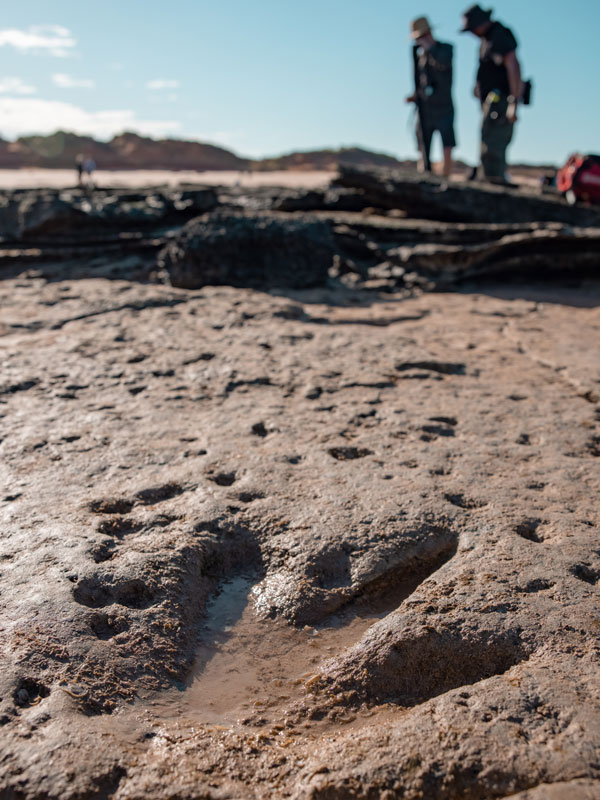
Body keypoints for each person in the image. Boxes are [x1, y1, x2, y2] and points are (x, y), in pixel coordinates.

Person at [460, 4, 523, 183]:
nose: (472, 33)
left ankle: (494, 184)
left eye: (472, 28)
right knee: (487, 141)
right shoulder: (486, 40)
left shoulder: (499, 34)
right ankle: (488, 179)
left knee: (494, 145)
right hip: (491, 102)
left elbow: (514, 66)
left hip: (502, 100)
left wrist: (514, 102)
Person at [405, 16, 456, 178]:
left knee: (447, 144)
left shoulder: (445, 49)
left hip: (444, 107)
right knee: (422, 143)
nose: (419, 42)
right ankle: (424, 176)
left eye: (420, 38)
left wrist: (431, 48)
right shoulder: (418, 55)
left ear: (428, 34)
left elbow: (444, 64)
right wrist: (414, 95)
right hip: (424, 109)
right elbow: (418, 81)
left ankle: (446, 177)